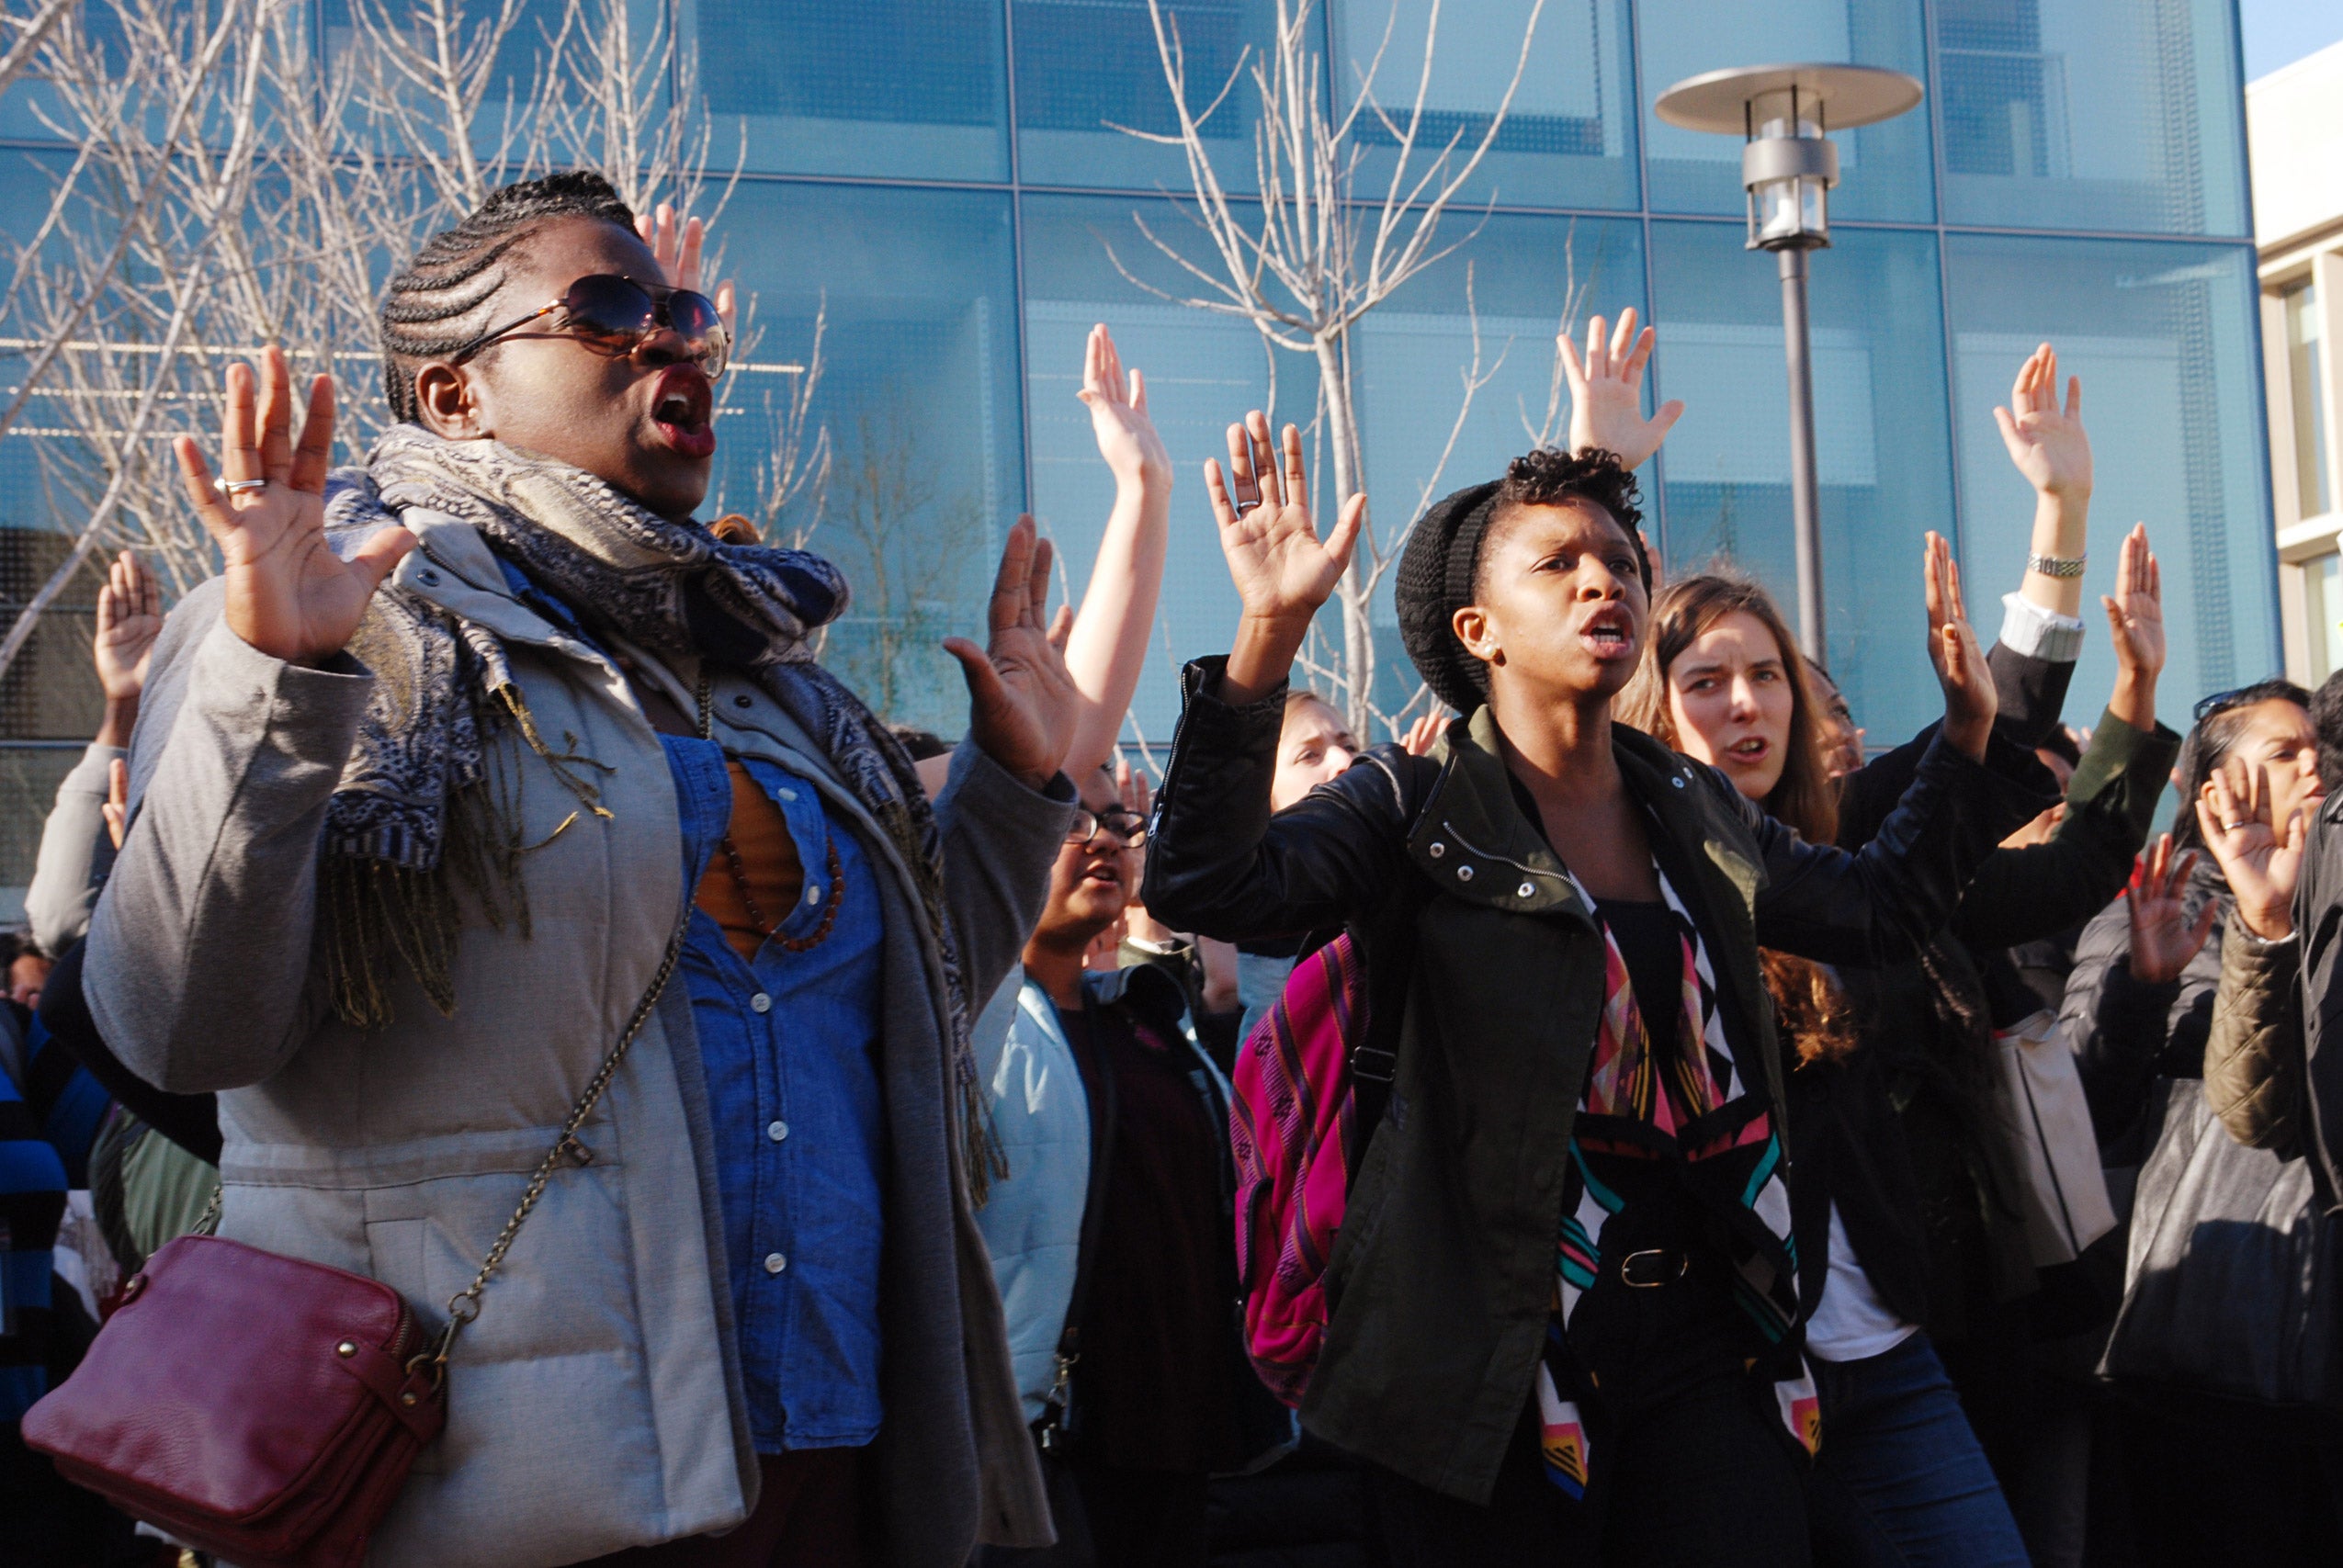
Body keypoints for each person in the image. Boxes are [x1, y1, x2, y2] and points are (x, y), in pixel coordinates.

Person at [84, 172, 1081, 1567]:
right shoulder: (337, 614)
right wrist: (274, 685)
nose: (674, 340)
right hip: (498, 1486)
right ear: (453, 396)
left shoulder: (767, 676)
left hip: (821, 1456)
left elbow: (909, 1024)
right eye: (609, 311)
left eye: (681, 312)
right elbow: (184, 1027)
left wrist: (1012, 796)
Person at [1141, 400, 2043, 1562]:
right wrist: (1267, 636)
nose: (1601, 583)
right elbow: (1211, 887)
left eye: (1620, 561)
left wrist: (1968, 738)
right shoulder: (1410, 808)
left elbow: (1876, 909)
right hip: (1491, 1355)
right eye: (1557, 564)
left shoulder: (1691, 801)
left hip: (1716, 1335)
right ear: (1480, 630)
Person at [1618, 522, 2176, 1568]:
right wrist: (1598, 461)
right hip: (1725, 1372)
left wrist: (2118, 655)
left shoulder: (1861, 856)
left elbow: (2003, 759)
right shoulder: (1632, 882)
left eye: (1771, 677)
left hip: (1897, 1343)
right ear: (1652, 711)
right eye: (1706, 681)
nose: (1752, 706)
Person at [969, 764, 1288, 1567]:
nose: (1104, 838)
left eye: (1117, 822)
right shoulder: (974, 1026)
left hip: (1177, 1445)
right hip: (1045, 1447)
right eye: (1071, 822)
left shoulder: (1151, 1020)